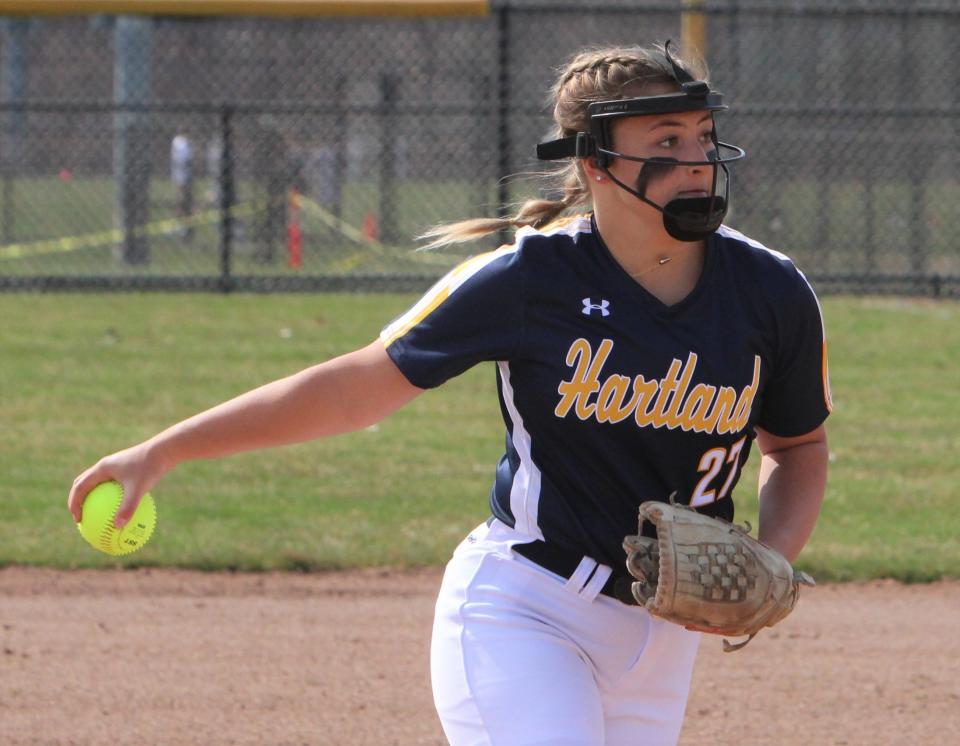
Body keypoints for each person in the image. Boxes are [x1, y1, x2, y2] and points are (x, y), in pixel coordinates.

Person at [68, 41, 831, 745]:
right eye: (665, 141)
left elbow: (796, 447)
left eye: (701, 136)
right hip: (529, 612)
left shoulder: (770, 290)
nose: (695, 160)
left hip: (665, 639)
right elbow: (351, 391)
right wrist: (164, 450)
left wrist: (768, 559)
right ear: (597, 162)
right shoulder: (533, 280)